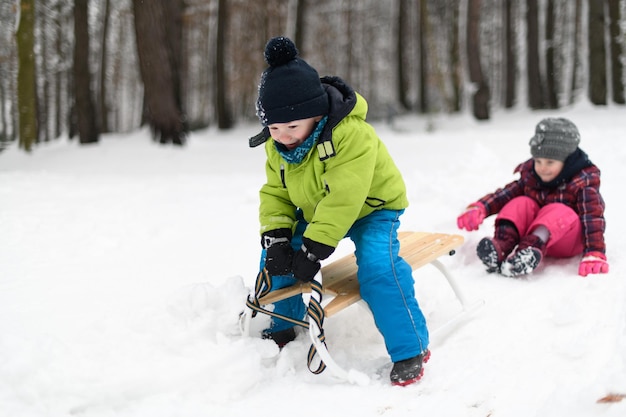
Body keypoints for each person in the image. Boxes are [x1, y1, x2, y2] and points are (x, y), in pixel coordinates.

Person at [249, 36, 429, 386]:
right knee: (280, 258)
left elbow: (346, 195)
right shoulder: (278, 146)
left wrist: (315, 248)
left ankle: (410, 348)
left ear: (315, 114)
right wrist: (277, 237)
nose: (282, 136)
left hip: (373, 208)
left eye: (291, 127)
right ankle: (285, 325)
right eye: (273, 128)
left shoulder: (350, 135)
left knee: (379, 268)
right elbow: (276, 192)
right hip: (320, 209)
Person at [457, 117, 608, 278]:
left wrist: (595, 251)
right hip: (536, 236)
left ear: (567, 161)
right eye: (538, 161)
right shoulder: (532, 176)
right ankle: (502, 245)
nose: (542, 168)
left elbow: (593, 218)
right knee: (519, 202)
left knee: (557, 210)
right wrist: (481, 207)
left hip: (567, 240)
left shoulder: (582, 181)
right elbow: (505, 194)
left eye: (550, 162)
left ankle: (528, 251)